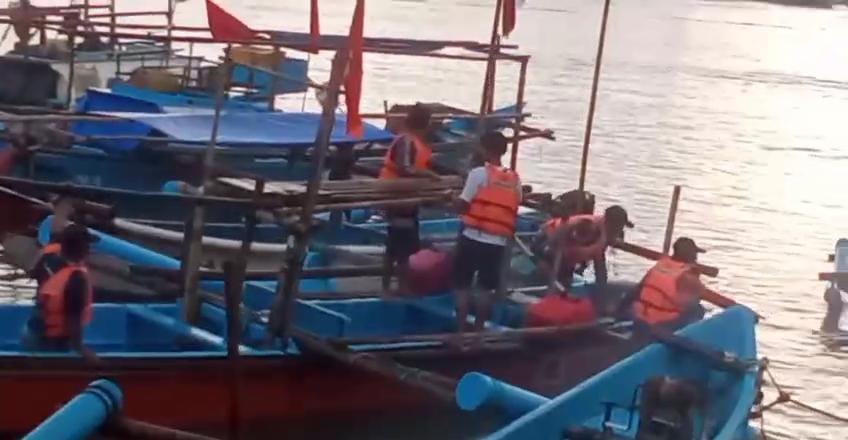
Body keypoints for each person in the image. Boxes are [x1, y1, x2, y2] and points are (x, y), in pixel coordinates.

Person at [453, 131, 522, 332]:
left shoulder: (478, 174)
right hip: (497, 244)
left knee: (462, 286)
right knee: (485, 290)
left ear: (485, 149)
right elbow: (515, 203)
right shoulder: (514, 179)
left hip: (472, 238)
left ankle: (459, 334)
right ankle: (478, 334)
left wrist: (451, 199)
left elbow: (463, 204)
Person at [379, 103, 440, 294]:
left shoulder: (414, 142)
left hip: (407, 200)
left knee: (400, 244)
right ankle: (396, 288)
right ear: (425, 123)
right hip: (398, 199)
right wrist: (428, 175)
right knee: (401, 247)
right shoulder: (406, 141)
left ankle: (393, 287)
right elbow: (404, 168)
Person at [23, 224, 98, 360]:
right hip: (52, 342)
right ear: (81, 248)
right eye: (88, 245)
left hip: (31, 331)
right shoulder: (76, 280)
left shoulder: (47, 259)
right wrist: (84, 352)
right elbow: (73, 321)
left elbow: (33, 272)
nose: (90, 249)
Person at [632, 237, 735, 328]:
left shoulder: (660, 264)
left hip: (640, 316)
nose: (696, 257)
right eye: (695, 254)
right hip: (659, 322)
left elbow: (639, 289)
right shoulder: (687, 277)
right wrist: (743, 309)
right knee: (697, 309)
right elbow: (718, 300)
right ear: (691, 256)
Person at [536, 204, 633, 290]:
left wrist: (602, 288)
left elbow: (600, 266)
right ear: (608, 222)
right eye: (617, 228)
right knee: (561, 280)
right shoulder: (590, 228)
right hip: (547, 241)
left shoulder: (603, 232)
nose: (618, 232)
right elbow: (560, 241)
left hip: (563, 249)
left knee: (568, 279)